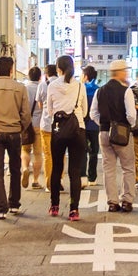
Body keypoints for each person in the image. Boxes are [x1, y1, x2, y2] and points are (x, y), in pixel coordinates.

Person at [0, 56, 32, 220]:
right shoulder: (20, 88)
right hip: (14, 132)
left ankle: (1, 208)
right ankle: (14, 204)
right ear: (11, 69)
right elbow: (26, 114)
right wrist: (20, 128)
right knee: (15, 168)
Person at [44, 55, 90, 220]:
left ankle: (54, 205)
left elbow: (49, 110)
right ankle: (74, 210)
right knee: (75, 171)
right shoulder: (79, 86)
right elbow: (85, 111)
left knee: (57, 168)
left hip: (58, 130)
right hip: (78, 130)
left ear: (58, 69)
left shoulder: (52, 85)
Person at [92, 58, 138, 212]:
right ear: (120, 73)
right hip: (122, 133)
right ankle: (127, 201)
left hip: (104, 132)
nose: (127, 73)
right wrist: (124, 125)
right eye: (125, 70)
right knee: (128, 167)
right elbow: (131, 115)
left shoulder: (100, 91)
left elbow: (93, 113)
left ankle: (112, 202)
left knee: (109, 168)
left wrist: (104, 124)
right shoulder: (126, 91)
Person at [24, 65, 46, 189]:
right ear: (40, 77)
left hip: (26, 124)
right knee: (38, 153)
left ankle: (25, 168)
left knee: (24, 150)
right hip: (39, 124)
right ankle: (35, 180)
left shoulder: (24, 88)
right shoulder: (42, 87)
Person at [82, 65, 101, 183]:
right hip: (95, 124)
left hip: (82, 124)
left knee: (82, 151)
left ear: (85, 76)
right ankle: (92, 177)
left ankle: (82, 176)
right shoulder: (98, 89)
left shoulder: (81, 89)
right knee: (94, 151)